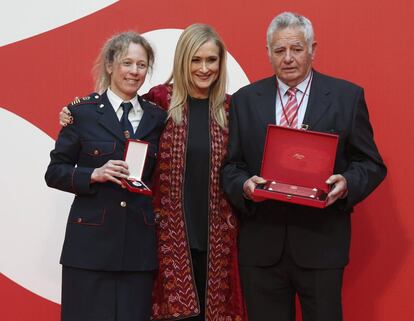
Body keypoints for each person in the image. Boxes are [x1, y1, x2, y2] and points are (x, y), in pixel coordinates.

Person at [59, 24, 247, 321]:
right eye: (195, 60)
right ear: (182, 61)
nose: (203, 68)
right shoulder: (159, 102)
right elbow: (116, 110)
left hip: (218, 245)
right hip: (162, 243)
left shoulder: (231, 108)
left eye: (211, 60)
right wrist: (73, 112)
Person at [221, 12, 387, 321]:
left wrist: (347, 183)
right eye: (279, 50)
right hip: (262, 247)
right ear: (268, 52)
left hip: (322, 244)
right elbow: (231, 167)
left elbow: (371, 163)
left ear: (313, 49)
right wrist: (244, 185)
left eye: (296, 49)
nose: (288, 58)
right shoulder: (245, 100)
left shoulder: (346, 97)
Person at [45, 31, 167, 321]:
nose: (134, 72)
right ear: (111, 65)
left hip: (138, 250)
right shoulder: (81, 112)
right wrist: (93, 174)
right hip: (88, 251)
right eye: (127, 63)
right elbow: (54, 172)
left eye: (141, 65)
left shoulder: (157, 117)